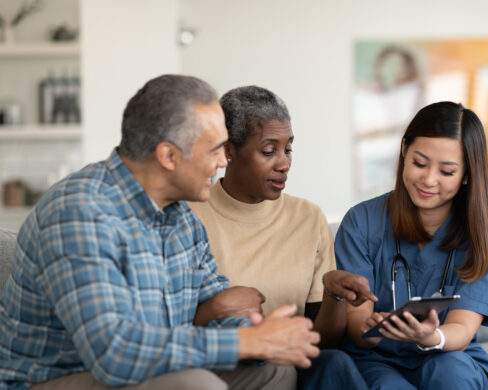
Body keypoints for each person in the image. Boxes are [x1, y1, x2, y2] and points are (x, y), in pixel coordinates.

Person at [0, 75, 321, 390]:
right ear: (168, 156)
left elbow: (215, 301)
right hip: (55, 377)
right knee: (194, 384)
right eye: (214, 149)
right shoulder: (79, 212)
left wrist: (263, 335)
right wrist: (242, 342)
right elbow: (115, 354)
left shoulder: (182, 218)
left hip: (151, 372)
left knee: (277, 371)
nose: (224, 161)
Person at [189, 85, 376, 390]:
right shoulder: (190, 215)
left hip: (293, 366)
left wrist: (333, 295)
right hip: (223, 368)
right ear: (228, 151)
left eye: (288, 148)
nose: (284, 163)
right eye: (268, 150)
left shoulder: (308, 217)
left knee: (336, 364)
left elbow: (323, 344)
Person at [335, 101, 488, 390]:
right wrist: (372, 329)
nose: (428, 180)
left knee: (451, 376)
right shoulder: (361, 223)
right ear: (404, 150)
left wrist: (432, 337)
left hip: (448, 354)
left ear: (466, 175)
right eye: (419, 163)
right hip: (377, 358)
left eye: (447, 172)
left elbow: (461, 329)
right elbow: (357, 328)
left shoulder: (482, 238)